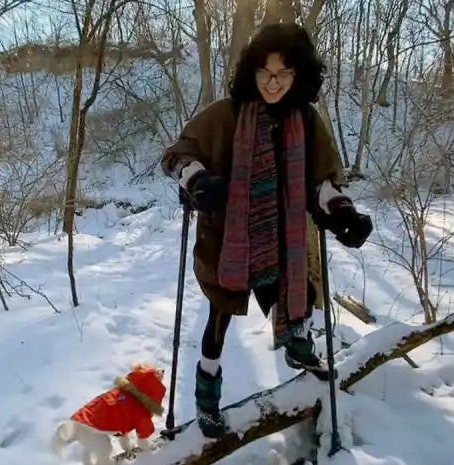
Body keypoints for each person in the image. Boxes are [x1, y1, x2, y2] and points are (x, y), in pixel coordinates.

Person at [159, 23, 374, 438]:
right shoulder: (225, 114)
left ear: (299, 75)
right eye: (265, 72)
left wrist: (343, 213)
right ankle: (207, 398)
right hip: (228, 243)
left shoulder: (306, 122)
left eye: (284, 73)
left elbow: (322, 183)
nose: (273, 83)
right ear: (251, 72)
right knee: (217, 324)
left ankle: (299, 348)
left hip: (282, 243)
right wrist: (199, 180)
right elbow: (176, 155)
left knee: (299, 298)